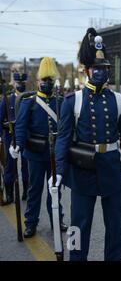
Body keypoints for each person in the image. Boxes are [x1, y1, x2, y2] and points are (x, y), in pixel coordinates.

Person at [54, 28, 121, 261]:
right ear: (87, 70)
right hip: (82, 170)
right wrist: (60, 171)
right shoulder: (74, 101)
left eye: (104, 68)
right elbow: (63, 137)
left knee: (115, 229)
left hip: (111, 168)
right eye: (97, 68)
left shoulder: (119, 100)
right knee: (78, 226)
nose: (101, 72)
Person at [11, 57, 66, 238]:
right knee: (35, 190)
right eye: (44, 80)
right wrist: (18, 145)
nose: (47, 83)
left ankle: (57, 220)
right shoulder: (30, 101)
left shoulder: (59, 101)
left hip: (54, 154)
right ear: (38, 81)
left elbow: (65, 127)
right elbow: (20, 126)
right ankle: (31, 223)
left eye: (50, 80)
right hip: (35, 153)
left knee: (55, 190)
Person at [0, 72, 30, 204]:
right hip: (10, 137)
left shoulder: (29, 98)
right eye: (19, 83)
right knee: (10, 167)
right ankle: (10, 193)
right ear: (14, 84)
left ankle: (27, 192)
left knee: (26, 166)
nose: (21, 85)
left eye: (23, 83)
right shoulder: (7, 99)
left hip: (26, 138)